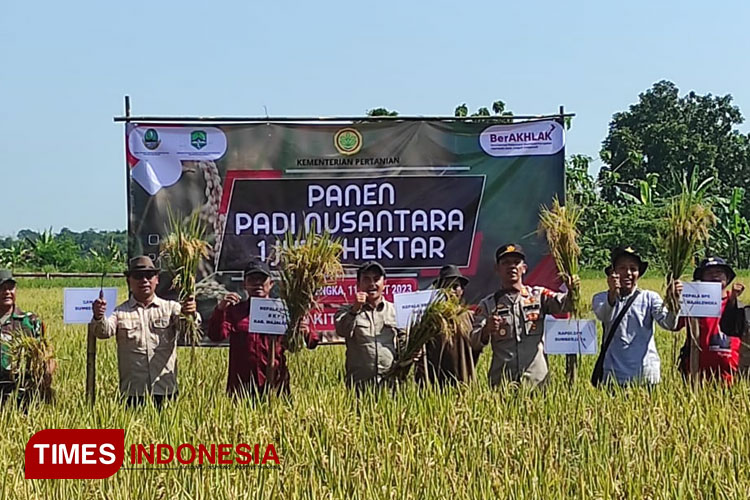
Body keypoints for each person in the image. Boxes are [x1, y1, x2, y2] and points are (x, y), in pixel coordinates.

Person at [90, 256, 198, 408]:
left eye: (149, 276)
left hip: (165, 390)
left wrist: (190, 314)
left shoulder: (171, 308)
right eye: (138, 276)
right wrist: (98, 316)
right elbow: (104, 332)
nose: (144, 280)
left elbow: (188, 331)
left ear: (157, 280)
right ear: (129, 282)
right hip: (133, 392)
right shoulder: (121, 312)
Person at [207, 258, 319, 398]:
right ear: (244, 285)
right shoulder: (234, 311)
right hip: (242, 387)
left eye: (262, 279)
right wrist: (220, 309)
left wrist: (305, 331)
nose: (257, 283)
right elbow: (215, 335)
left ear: (271, 284)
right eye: (252, 279)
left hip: (276, 385)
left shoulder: (284, 310)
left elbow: (311, 343)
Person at [470, 244, 575, 388]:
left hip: (536, 382)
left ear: (524, 268)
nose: (511, 266)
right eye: (506, 263)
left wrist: (573, 290)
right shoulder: (488, 304)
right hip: (502, 383)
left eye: (516, 262)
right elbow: (474, 341)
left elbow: (566, 304)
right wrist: (486, 330)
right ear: (497, 269)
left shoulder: (539, 296)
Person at [592, 246, 682, 387]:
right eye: (622, 268)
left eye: (633, 268)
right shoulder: (601, 298)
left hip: (646, 375)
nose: (628, 273)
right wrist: (612, 294)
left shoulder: (650, 298)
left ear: (638, 273)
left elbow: (669, 324)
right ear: (613, 273)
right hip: (613, 376)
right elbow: (604, 316)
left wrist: (674, 303)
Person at [335, 261, 404, 391]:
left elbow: (404, 343)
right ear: (358, 284)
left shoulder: (396, 311)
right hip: (359, 385)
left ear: (384, 284)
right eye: (366, 279)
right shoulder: (346, 311)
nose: (372, 284)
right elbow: (342, 330)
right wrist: (355, 310)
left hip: (389, 384)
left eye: (376, 279)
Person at [676, 257, 745, 383]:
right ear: (701, 279)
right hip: (696, 376)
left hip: (732, 377)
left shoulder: (737, 306)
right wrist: (674, 298)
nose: (714, 275)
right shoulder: (692, 303)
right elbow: (674, 324)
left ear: (728, 277)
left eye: (719, 272)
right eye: (709, 272)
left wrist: (734, 298)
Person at [414, 265, 479, 385]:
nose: (451, 291)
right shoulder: (430, 319)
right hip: (436, 386)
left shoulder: (471, 317)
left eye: (455, 286)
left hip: (464, 382)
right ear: (438, 290)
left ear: (462, 290)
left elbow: (479, 346)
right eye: (446, 286)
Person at [0, 269, 53, 406]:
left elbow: (46, 355)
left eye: (10, 288)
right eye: (2, 288)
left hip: (23, 396)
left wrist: (47, 373)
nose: (7, 292)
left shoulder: (31, 321)